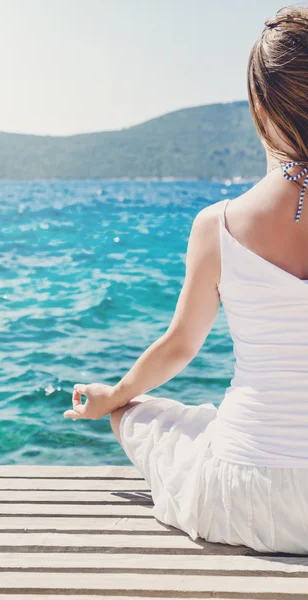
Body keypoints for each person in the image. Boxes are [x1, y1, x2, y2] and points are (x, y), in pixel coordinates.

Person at [64, 5, 308, 554]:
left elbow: (179, 346)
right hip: (261, 492)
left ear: (261, 108)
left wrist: (115, 396)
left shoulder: (216, 226)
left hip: (245, 497)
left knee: (142, 414)